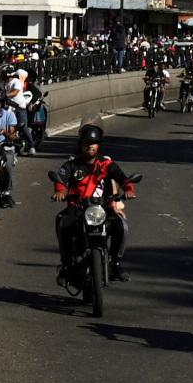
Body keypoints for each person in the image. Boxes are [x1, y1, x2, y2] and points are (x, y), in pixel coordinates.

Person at [48, 121, 137, 283]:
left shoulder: (106, 164)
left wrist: (129, 189)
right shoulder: (72, 165)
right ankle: (66, 266)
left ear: (99, 145)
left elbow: (123, 178)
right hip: (78, 208)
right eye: (86, 143)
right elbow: (60, 179)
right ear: (80, 145)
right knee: (62, 223)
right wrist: (60, 191)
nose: (90, 146)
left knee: (121, 225)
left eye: (94, 143)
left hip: (103, 208)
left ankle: (115, 264)